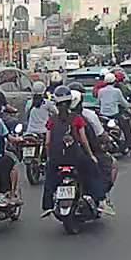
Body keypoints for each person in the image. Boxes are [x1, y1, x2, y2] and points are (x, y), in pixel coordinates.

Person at [41, 86, 111, 218]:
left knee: (49, 178)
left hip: (56, 159)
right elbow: (83, 140)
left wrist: (50, 158)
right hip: (76, 158)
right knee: (93, 171)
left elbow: (47, 142)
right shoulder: (77, 118)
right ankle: (101, 200)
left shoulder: (51, 120)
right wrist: (91, 156)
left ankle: (48, 205)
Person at [97, 72, 131, 154]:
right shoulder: (117, 91)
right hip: (115, 115)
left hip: (103, 116)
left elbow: (99, 102)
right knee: (126, 128)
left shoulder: (100, 91)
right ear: (114, 81)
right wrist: (130, 106)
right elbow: (123, 102)